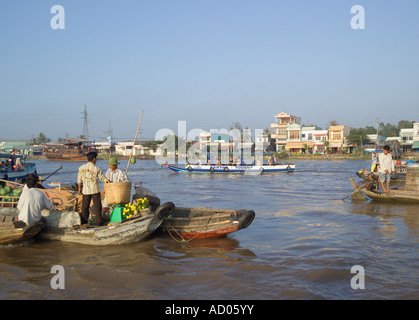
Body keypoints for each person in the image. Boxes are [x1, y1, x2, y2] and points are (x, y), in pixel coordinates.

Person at [77, 151, 110, 226]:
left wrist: (79, 188)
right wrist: (107, 181)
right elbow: (102, 178)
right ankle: (99, 222)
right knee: (97, 207)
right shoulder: (97, 169)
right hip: (95, 189)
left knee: (85, 207)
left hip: (85, 190)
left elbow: (79, 180)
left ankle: (84, 222)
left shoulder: (81, 168)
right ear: (94, 159)